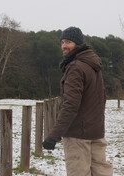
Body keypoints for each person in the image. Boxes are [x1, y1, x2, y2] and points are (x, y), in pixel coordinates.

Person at [42, 26, 113, 176]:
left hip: (78, 136)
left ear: (78, 43)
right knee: (101, 172)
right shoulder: (93, 65)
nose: (64, 46)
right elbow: (101, 98)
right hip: (96, 132)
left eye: (68, 42)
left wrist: (54, 135)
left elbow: (70, 104)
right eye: (62, 42)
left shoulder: (75, 67)